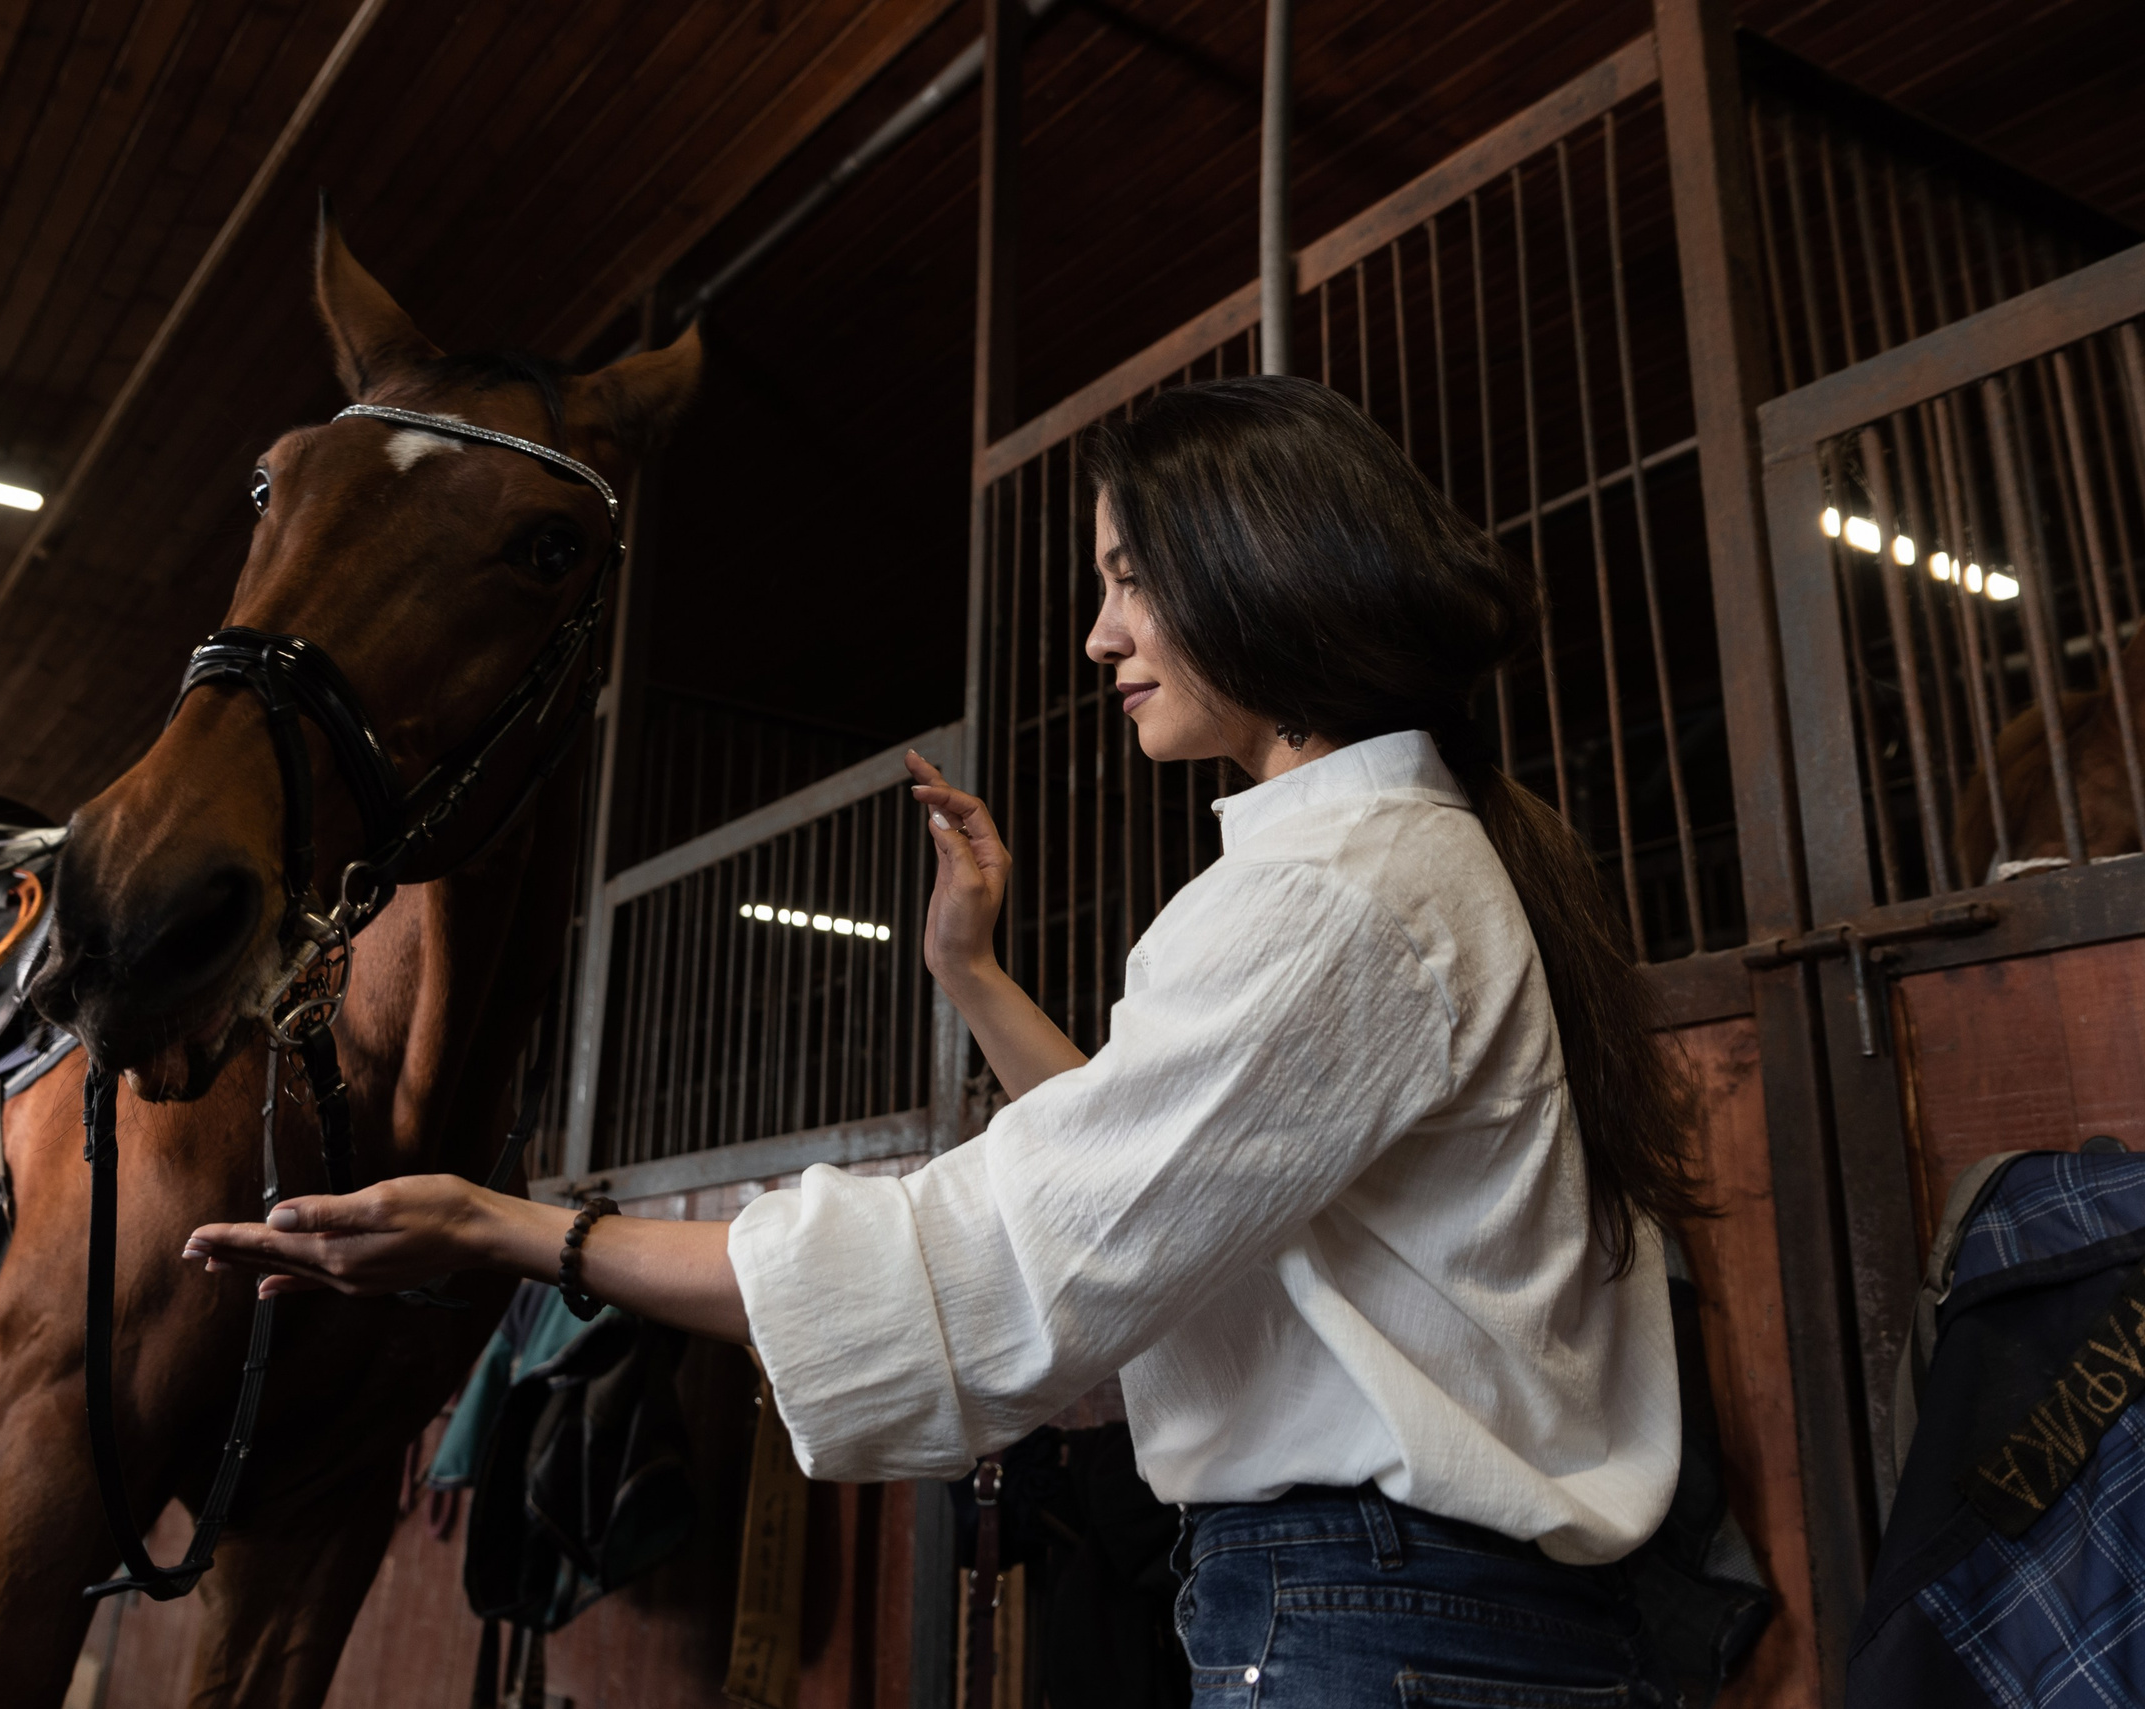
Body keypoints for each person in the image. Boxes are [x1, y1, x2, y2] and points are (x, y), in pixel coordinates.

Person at [184, 376, 1705, 1704]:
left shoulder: (1339, 893)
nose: (1101, 630)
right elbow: (1162, 1172)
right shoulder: (1402, 860)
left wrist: (512, 1227)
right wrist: (967, 968)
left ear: (1259, 565)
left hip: (1378, 1615)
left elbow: (999, 1261)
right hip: (1414, 1611)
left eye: (1129, 574)